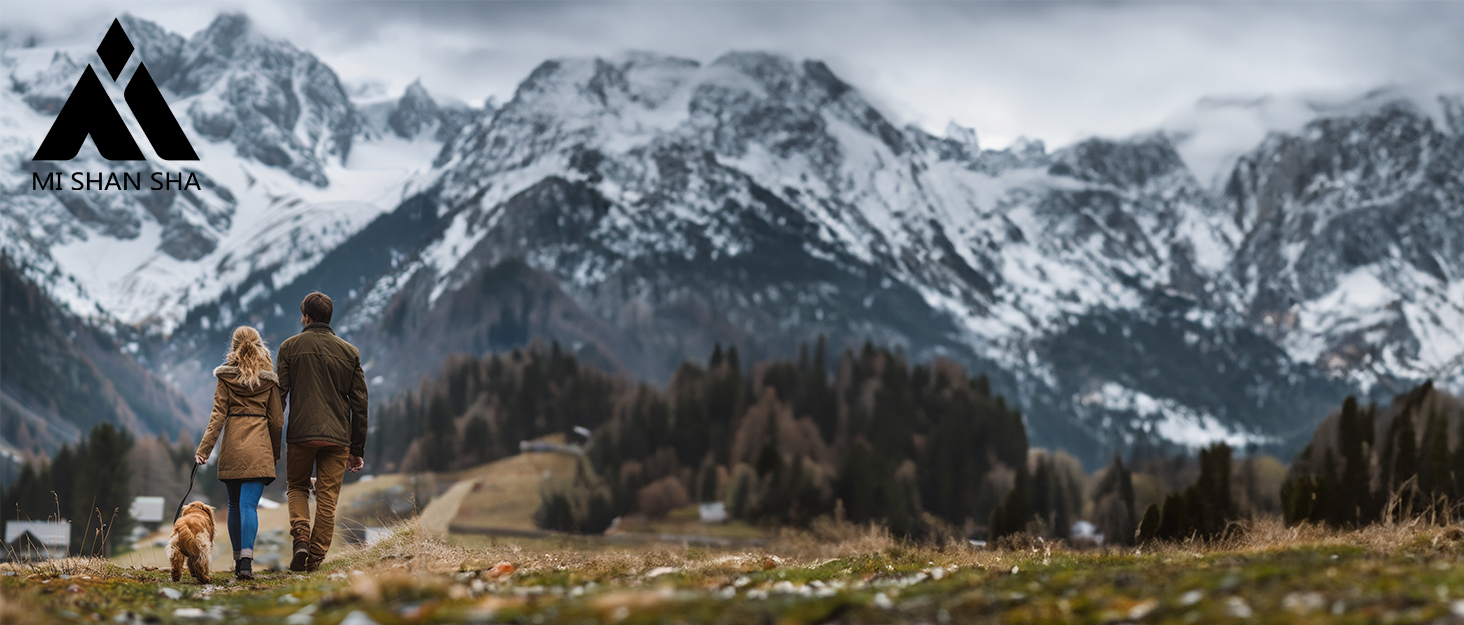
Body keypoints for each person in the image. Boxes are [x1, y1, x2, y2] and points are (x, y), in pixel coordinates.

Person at [277, 291, 368, 572]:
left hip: (301, 434)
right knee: (328, 497)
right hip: (338, 437)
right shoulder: (350, 352)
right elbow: (361, 404)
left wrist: (271, 441)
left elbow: (279, 396)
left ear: (306, 317)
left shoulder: (289, 347)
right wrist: (356, 450)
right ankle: (315, 559)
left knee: (297, 487)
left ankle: (301, 538)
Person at [195, 326, 283, 581]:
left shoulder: (225, 378)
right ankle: (247, 562)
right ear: (259, 345)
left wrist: (204, 450)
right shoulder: (269, 380)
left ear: (233, 348)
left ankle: (237, 563)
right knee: (248, 506)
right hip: (259, 449)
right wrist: (274, 453)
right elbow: (277, 421)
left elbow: (217, 417)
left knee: (234, 506)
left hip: (232, 447)